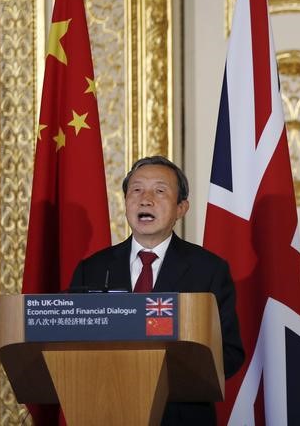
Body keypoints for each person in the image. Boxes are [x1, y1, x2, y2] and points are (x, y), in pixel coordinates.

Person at [69, 156, 244, 425]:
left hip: (180, 416)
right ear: (126, 202)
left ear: (181, 208)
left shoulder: (208, 270)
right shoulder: (92, 269)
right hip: (105, 412)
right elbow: (70, 344)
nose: (145, 199)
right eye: (136, 190)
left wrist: (161, 373)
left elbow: (230, 354)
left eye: (160, 191)